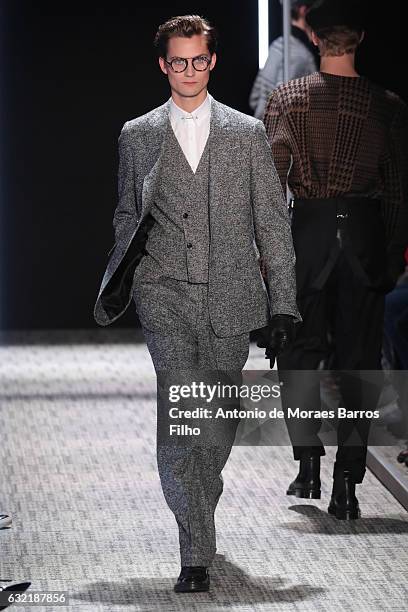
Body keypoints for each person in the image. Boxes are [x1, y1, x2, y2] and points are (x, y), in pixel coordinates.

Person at [94, 15, 299, 593]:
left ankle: (199, 503)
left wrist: (283, 304)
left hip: (233, 295)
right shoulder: (137, 135)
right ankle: (194, 550)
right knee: (184, 415)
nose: (188, 71)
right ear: (163, 65)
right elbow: (126, 217)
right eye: (177, 61)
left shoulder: (246, 134)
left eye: (198, 60)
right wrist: (127, 276)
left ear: (212, 62)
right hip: (164, 296)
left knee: (218, 424)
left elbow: (273, 225)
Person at [264, 0, 408, 520]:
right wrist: (390, 254)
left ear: (316, 39)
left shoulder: (288, 98)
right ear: (361, 39)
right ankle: (347, 483)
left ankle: (307, 463)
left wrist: (269, 254)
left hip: (308, 238)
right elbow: (396, 194)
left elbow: (270, 184)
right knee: (358, 364)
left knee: (299, 356)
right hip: (366, 240)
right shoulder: (387, 105)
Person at [249, 0, 318, 120]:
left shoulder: (277, 45)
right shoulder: (299, 55)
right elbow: (282, 105)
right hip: (280, 134)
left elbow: (255, 98)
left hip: (264, 130)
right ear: (303, 10)